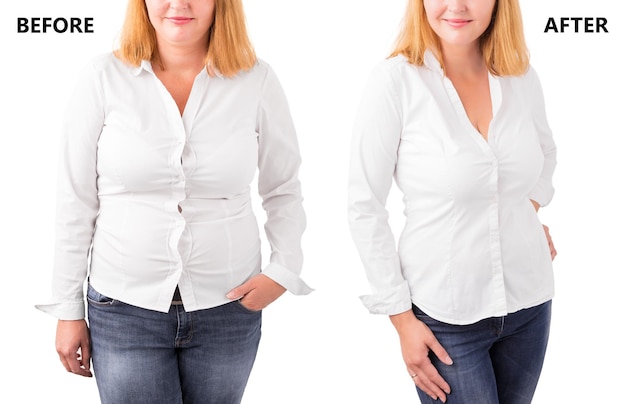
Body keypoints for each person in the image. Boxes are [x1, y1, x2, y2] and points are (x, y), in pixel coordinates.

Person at [35, 0, 311, 402]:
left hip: (228, 308)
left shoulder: (257, 80)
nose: (178, 4)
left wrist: (284, 271)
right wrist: (68, 309)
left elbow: (283, 187)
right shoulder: (102, 78)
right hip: (124, 307)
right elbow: (75, 201)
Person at [348, 0, 557, 402]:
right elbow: (364, 205)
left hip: (528, 302)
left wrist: (522, 214)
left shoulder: (520, 75)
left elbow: (545, 154)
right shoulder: (396, 81)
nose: (456, 6)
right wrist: (402, 321)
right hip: (446, 315)